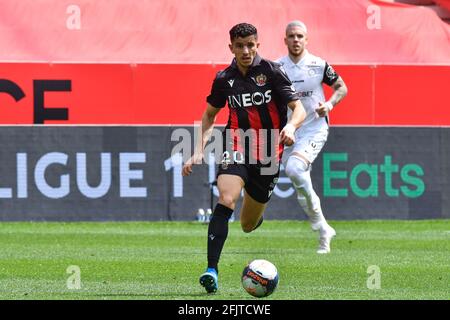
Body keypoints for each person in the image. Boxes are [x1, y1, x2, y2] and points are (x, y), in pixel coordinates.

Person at [182, 22, 306, 293]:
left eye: (250, 44)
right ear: (232, 48)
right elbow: (209, 115)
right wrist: (199, 149)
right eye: (240, 46)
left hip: (268, 155)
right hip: (237, 145)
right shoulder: (223, 78)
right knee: (226, 199)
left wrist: (291, 126)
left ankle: (255, 214)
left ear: (257, 44)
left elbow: (299, 109)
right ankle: (211, 270)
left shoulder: (273, 71)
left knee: (248, 225)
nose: (246, 50)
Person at [277, 21, 348, 254]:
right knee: (297, 182)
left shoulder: (318, 65)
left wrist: (329, 104)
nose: (295, 40)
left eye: (300, 36)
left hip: (314, 128)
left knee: (295, 170)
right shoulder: (277, 67)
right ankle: (324, 229)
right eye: (291, 36)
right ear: (285, 40)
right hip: (288, 131)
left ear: (306, 40)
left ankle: (319, 225)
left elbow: (341, 87)